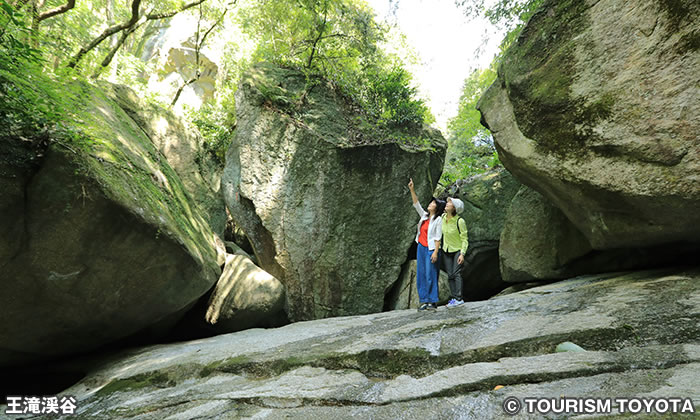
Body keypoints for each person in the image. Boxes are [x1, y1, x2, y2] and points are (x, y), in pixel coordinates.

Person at [408, 178, 445, 311]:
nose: (430, 204)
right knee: (422, 274)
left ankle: (432, 301)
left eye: (433, 203)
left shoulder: (438, 219)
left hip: (431, 249)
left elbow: (437, 237)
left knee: (431, 274)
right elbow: (416, 204)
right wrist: (412, 189)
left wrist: (435, 252)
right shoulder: (424, 216)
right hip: (421, 247)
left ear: (437, 207)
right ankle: (424, 301)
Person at [440, 197, 469, 307]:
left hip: (457, 250)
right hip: (446, 249)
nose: (447, 204)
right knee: (450, 275)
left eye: (450, 203)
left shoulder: (459, 221)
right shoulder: (442, 217)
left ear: (455, 208)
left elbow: (464, 238)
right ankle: (453, 298)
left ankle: (459, 298)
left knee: (456, 273)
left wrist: (462, 253)